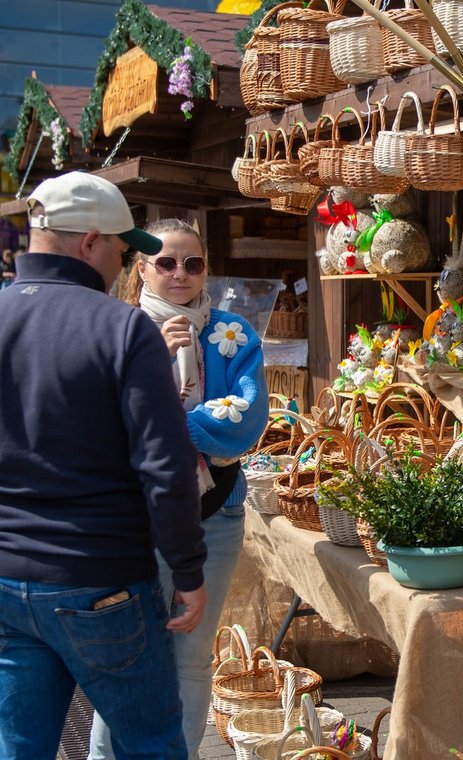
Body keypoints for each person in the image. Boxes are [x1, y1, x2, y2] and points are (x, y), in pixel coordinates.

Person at [0, 172, 208, 759]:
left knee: (20, 748)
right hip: (100, 576)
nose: (122, 264)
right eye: (122, 249)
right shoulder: (121, 329)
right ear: (91, 241)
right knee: (150, 745)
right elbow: (164, 469)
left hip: (9, 577)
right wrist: (188, 571)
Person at [88, 218, 268, 760]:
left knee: (190, 661)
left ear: (206, 268)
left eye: (192, 263)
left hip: (213, 517)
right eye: (165, 262)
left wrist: (160, 423)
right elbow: (97, 425)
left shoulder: (233, 333)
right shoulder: (116, 329)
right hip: (130, 520)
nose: (179, 274)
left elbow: (246, 420)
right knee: (124, 655)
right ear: (141, 266)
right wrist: (154, 362)